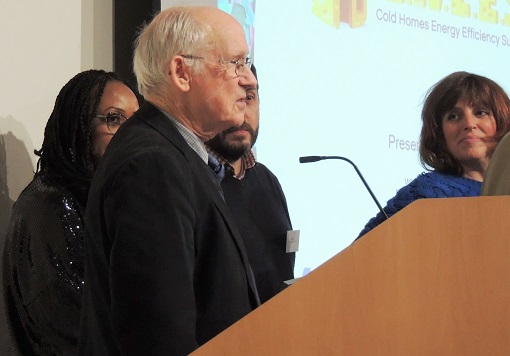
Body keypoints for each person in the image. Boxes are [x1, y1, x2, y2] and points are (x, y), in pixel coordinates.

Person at [78, 6, 260, 356]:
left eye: (247, 63)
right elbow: (158, 335)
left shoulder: (175, 154)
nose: (249, 79)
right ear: (181, 72)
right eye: (235, 63)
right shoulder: (152, 164)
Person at [2, 69, 139, 355]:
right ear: (77, 125)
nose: (131, 134)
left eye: (136, 122)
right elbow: (76, 327)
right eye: (114, 119)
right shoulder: (49, 207)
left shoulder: (96, 200)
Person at [357, 71, 510, 239]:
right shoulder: (427, 191)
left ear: (503, 122)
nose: (469, 123)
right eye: (454, 116)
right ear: (440, 133)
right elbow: (359, 256)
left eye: (480, 112)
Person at [205, 64, 295, 304]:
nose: (241, 114)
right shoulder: (193, 179)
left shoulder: (268, 180)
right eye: (231, 98)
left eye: (249, 98)